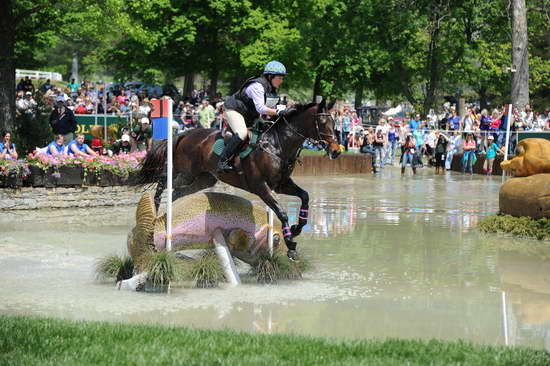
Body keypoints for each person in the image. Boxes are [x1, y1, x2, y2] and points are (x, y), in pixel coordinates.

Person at [220, 60, 288, 172]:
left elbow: (271, 106)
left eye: (282, 78)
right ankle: (223, 161)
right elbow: (261, 108)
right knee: (242, 133)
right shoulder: (258, 86)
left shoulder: (271, 89)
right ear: (270, 76)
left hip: (249, 114)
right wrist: (277, 112)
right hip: (234, 110)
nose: (281, 80)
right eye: (279, 78)